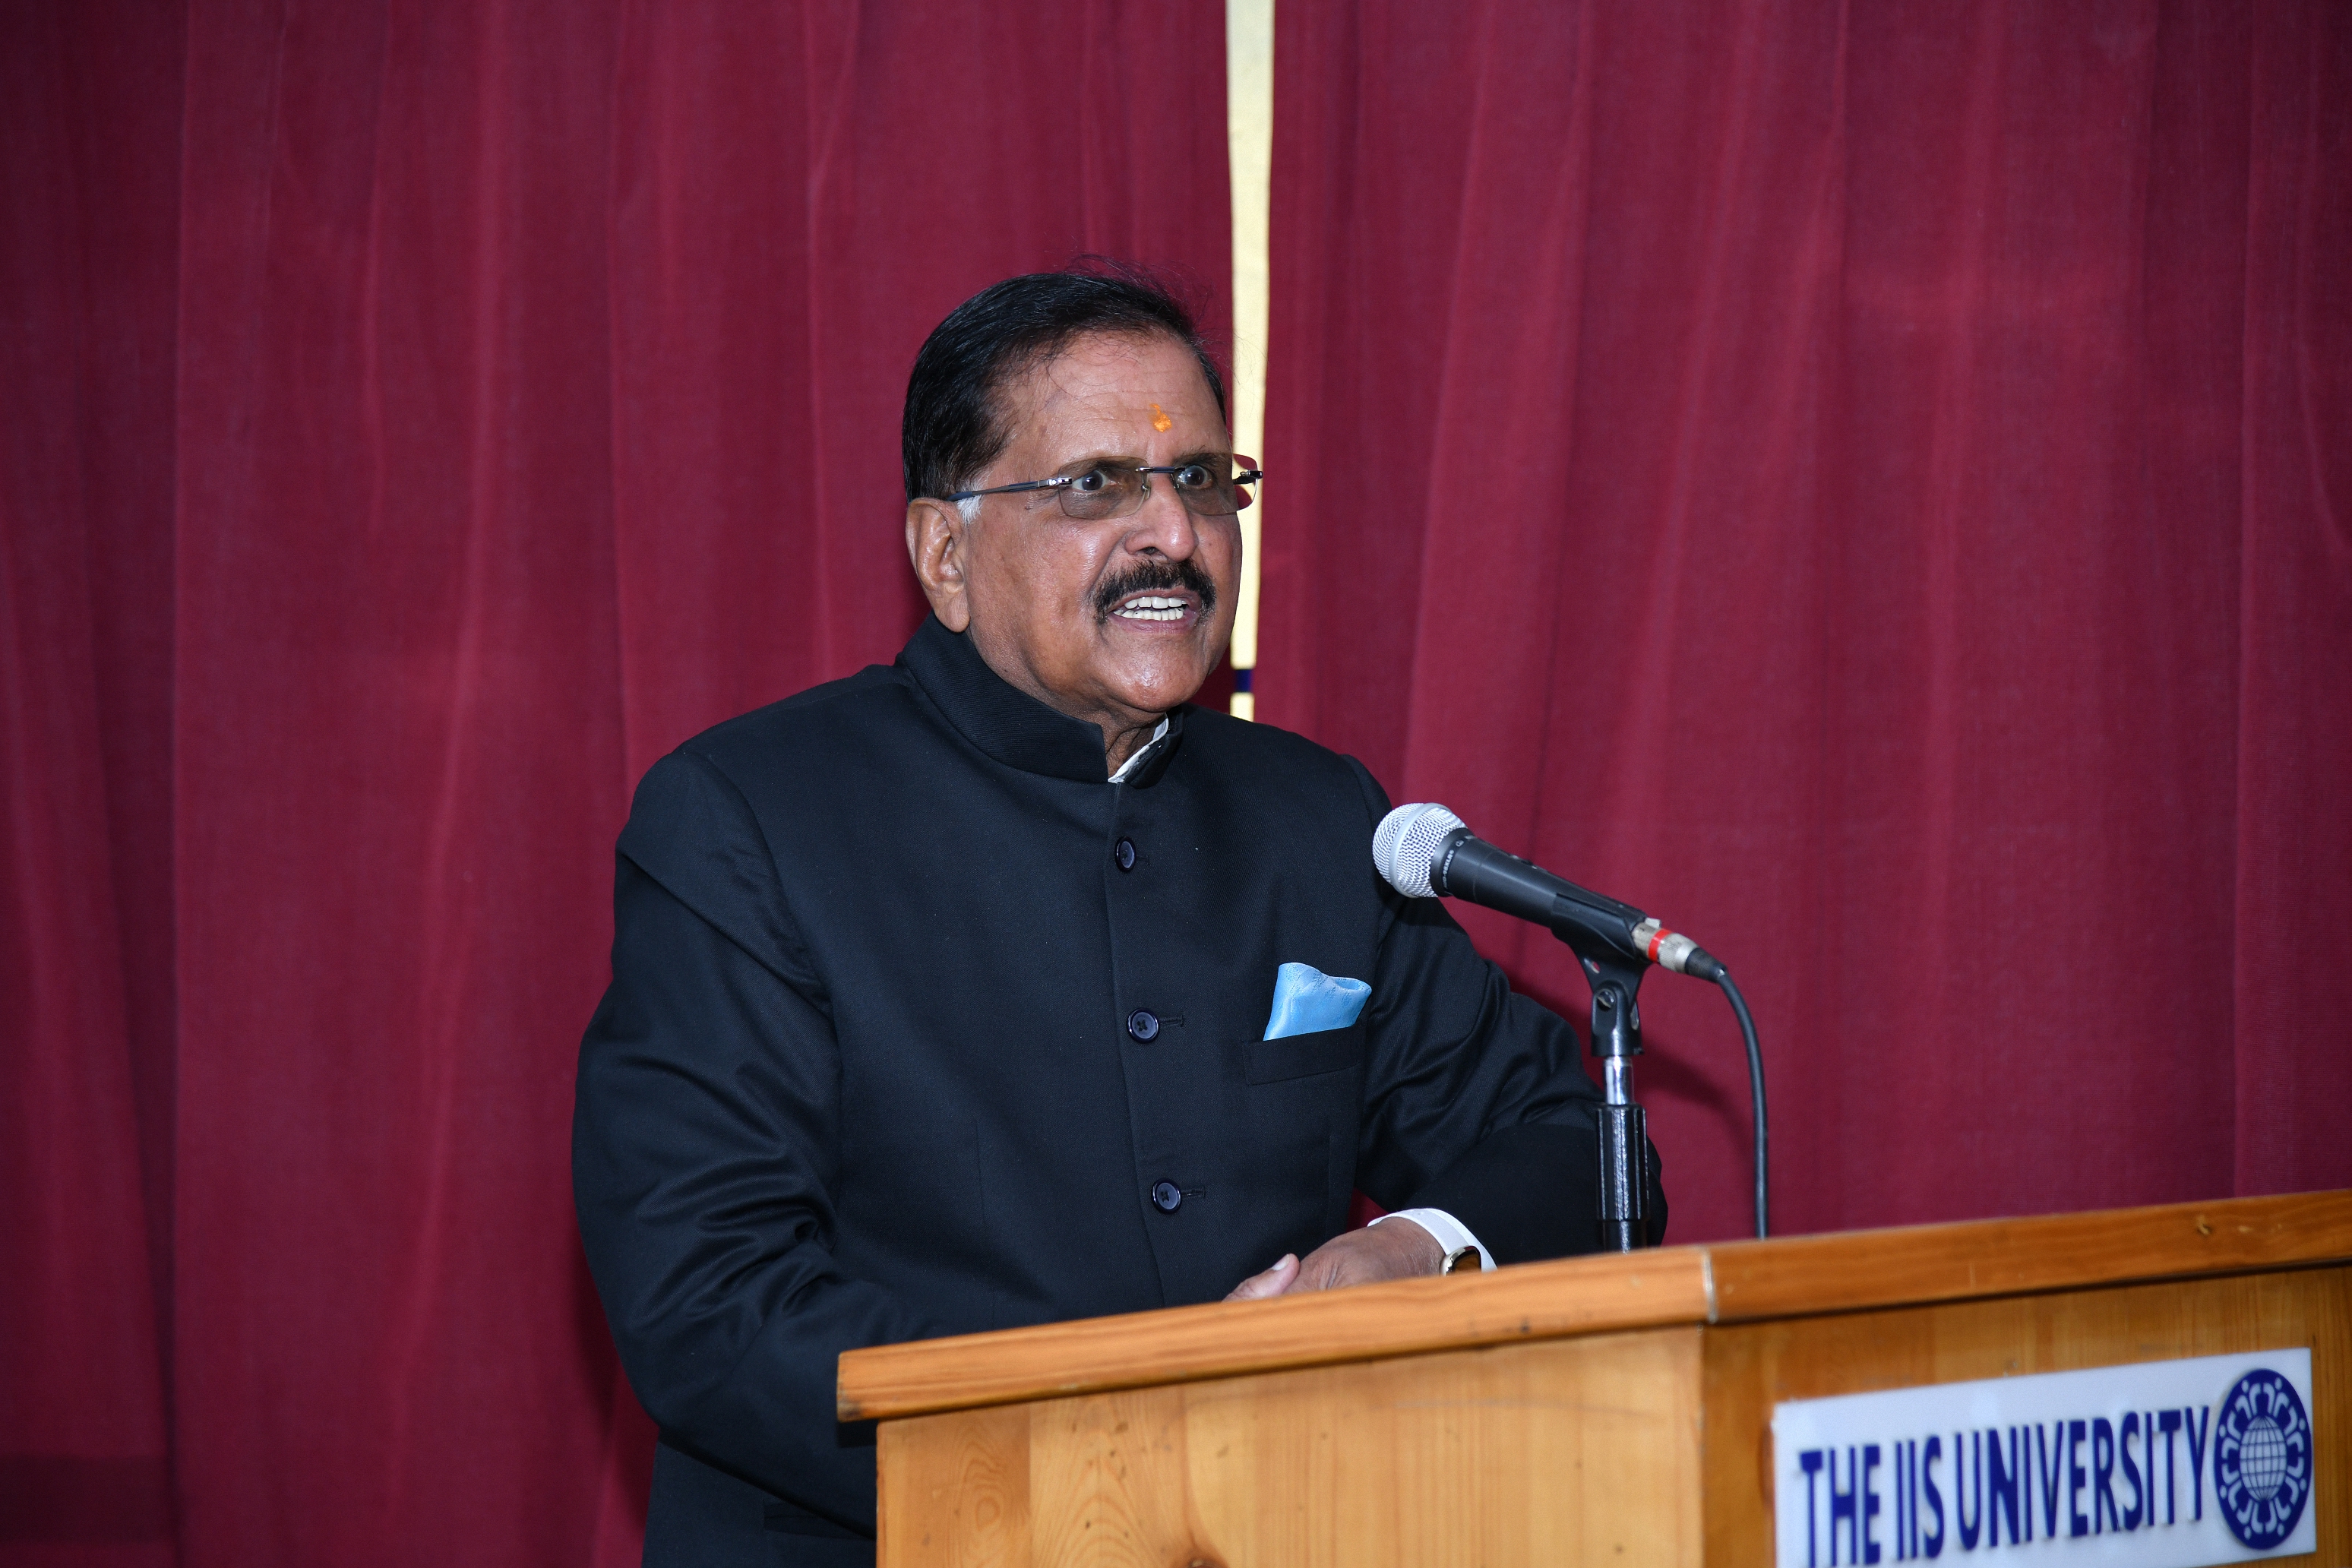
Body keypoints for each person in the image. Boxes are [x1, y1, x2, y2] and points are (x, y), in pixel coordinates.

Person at [573, 267, 1664, 1568]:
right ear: (945, 555)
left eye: (1202, 480)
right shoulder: (752, 816)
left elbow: (1577, 1149)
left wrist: (1404, 1254)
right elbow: (709, 1300)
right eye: (1097, 485)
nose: (1173, 534)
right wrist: (1126, 1456)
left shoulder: (1319, 817)